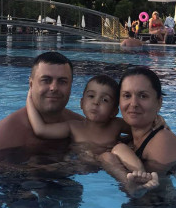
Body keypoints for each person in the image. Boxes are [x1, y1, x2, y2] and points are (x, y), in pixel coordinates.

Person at [26, 74, 158, 196]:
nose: (96, 102)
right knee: (41, 170)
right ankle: (132, 183)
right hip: (80, 165)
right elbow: (41, 129)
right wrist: (29, 99)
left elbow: (141, 128)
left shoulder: (116, 124)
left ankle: (140, 177)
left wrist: (157, 121)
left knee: (115, 151)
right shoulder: (73, 127)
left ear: (113, 111)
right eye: (91, 96)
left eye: (105, 100)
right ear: (81, 103)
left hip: (108, 164)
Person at [0, 51, 82, 151]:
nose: (53, 88)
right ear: (31, 84)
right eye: (46, 80)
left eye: (62, 81)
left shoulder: (81, 126)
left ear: (71, 86)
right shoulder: (1, 138)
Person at [113, 66, 176, 174]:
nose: (133, 104)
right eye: (127, 96)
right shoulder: (130, 139)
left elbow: (151, 184)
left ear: (159, 103)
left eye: (143, 96)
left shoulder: (163, 141)